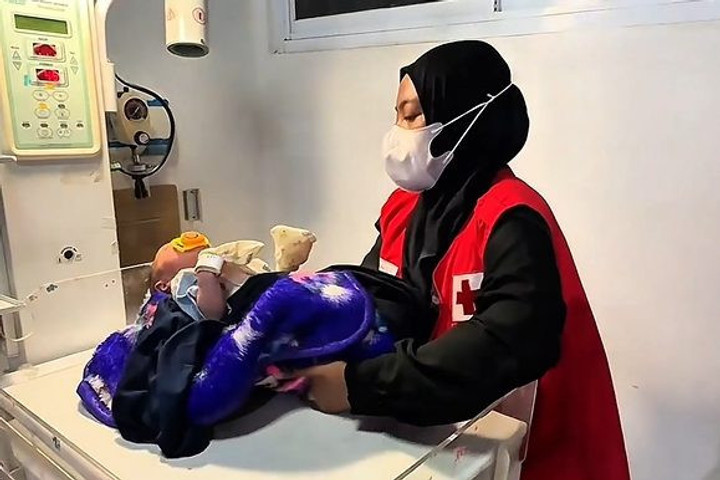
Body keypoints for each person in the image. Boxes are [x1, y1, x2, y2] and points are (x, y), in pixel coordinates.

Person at [296, 41, 631, 480]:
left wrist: (359, 384)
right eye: (397, 116)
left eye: (413, 116)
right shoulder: (403, 210)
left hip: (531, 445)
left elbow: (505, 345)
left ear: (465, 116)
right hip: (442, 436)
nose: (398, 133)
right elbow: (373, 299)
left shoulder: (512, 217)